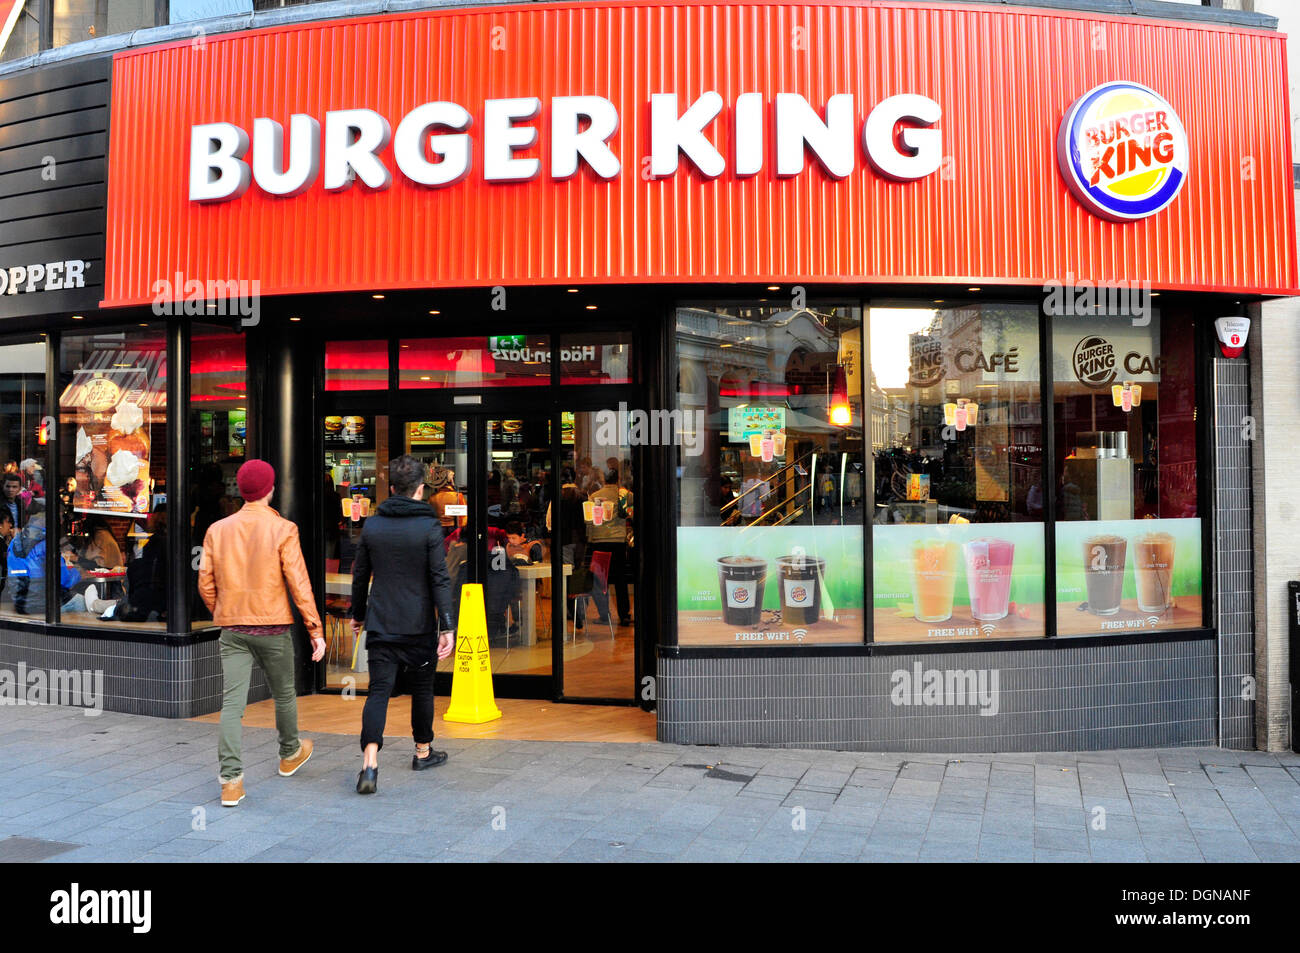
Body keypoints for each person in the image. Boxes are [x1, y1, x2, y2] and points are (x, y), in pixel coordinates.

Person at [198, 459, 324, 808]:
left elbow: (205, 582)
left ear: (241, 490)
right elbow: (299, 583)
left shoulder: (217, 529)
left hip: (233, 629)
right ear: (270, 489)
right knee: (283, 694)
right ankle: (289, 754)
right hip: (274, 627)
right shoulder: (284, 529)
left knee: (232, 704)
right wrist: (315, 629)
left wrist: (224, 611)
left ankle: (231, 783)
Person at [350, 455, 457, 795]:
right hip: (419, 624)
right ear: (421, 489)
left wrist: (357, 614)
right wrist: (447, 626)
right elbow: (440, 578)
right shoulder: (428, 527)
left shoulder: (373, 525)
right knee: (422, 688)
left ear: (392, 488)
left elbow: (360, 574)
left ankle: (370, 762)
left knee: (379, 690)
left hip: (382, 621)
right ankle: (423, 751)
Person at [6, 501, 86, 615]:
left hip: (20, 604)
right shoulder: (46, 543)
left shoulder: (15, 541)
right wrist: (77, 574)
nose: (62, 520)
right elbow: (63, 579)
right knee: (83, 602)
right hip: (43, 604)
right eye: (60, 516)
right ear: (46, 517)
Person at [586, 468, 633, 627]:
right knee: (621, 579)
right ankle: (624, 615)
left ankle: (604, 614)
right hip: (618, 541)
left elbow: (591, 520)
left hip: (599, 541)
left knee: (599, 580)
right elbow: (633, 506)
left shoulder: (594, 496)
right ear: (618, 478)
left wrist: (591, 539)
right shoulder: (624, 495)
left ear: (603, 478)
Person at [430, 466, 467, 530]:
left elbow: (429, 516)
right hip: (452, 530)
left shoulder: (432, 498)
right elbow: (463, 520)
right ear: (451, 481)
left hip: (436, 529)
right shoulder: (457, 496)